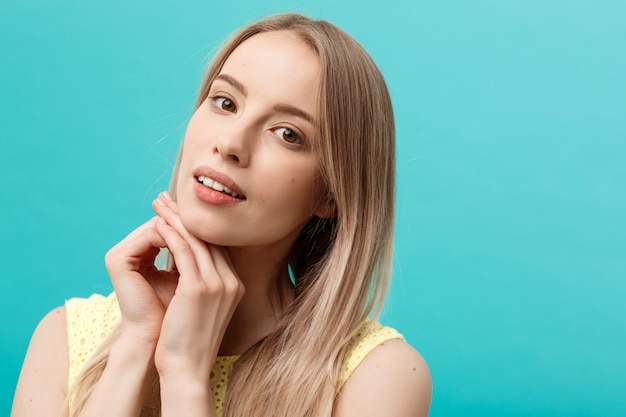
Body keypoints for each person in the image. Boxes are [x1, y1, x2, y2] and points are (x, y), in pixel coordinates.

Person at [11, 13, 431, 417]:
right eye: (225, 102)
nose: (230, 141)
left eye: (288, 134)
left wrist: (185, 376)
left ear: (331, 195)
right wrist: (137, 345)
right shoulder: (63, 338)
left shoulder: (377, 376)